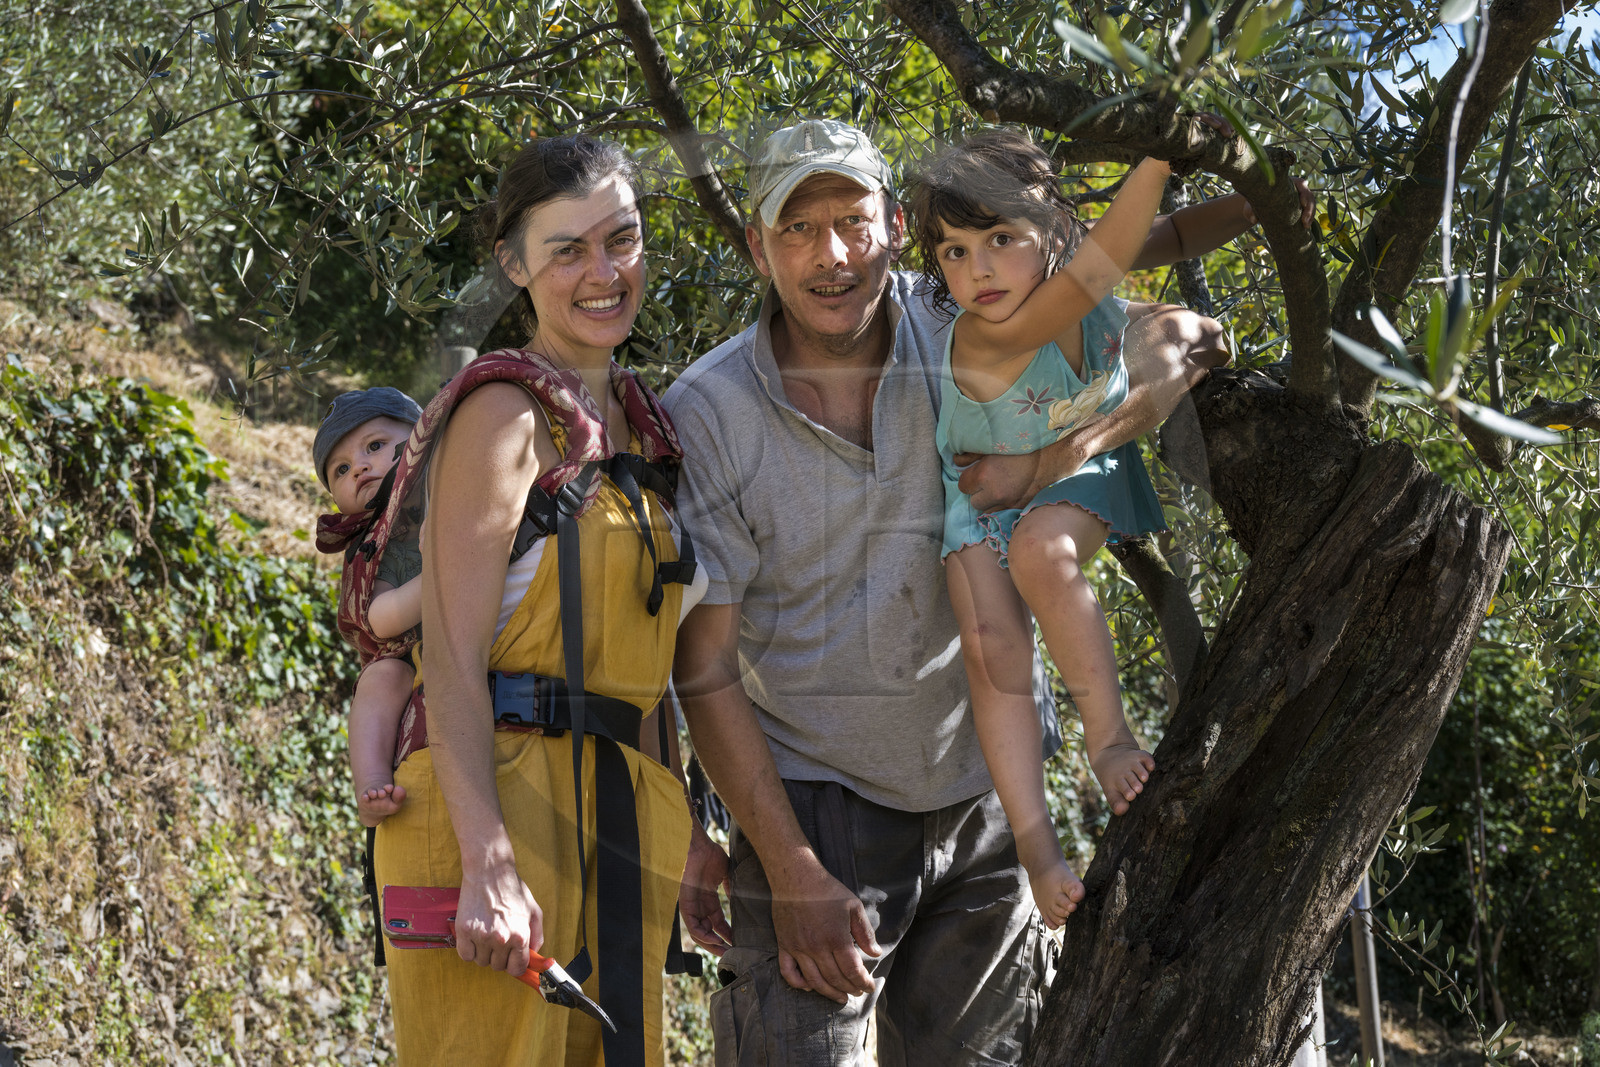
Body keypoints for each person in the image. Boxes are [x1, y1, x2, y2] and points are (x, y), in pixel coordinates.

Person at [665, 117, 1309, 1066]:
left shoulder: (964, 310)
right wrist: (793, 870)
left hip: (986, 806)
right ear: (758, 246)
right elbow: (704, 670)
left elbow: (1128, 314)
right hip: (817, 810)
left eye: (851, 221)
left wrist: (1174, 344)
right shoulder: (709, 411)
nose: (832, 256)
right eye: (796, 231)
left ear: (892, 224)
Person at [372, 134, 704, 1067]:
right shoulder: (502, 417)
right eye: (568, 251)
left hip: (615, 818)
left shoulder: (644, 425)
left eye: (622, 240)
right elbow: (451, 655)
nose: (603, 273)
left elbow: (642, 670)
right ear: (515, 266)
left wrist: (695, 836)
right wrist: (488, 860)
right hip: (493, 811)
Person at [906, 131, 1193, 927]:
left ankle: (1109, 742)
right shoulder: (990, 332)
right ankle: (1037, 846)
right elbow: (1115, 253)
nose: (979, 271)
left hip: (1069, 473)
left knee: (1042, 551)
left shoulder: (1084, 282)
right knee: (994, 651)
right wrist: (1160, 148)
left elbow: (1167, 237)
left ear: (1056, 231)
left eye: (1000, 238)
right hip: (975, 499)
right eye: (954, 253)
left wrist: (1265, 201)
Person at [313, 386, 425, 827]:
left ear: (423, 437)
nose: (359, 466)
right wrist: (442, 577)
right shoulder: (375, 539)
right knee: (379, 680)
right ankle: (371, 783)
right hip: (403, 649)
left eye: (375, 446)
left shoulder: (456, 488)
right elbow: (380, 618)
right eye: (340, 469)